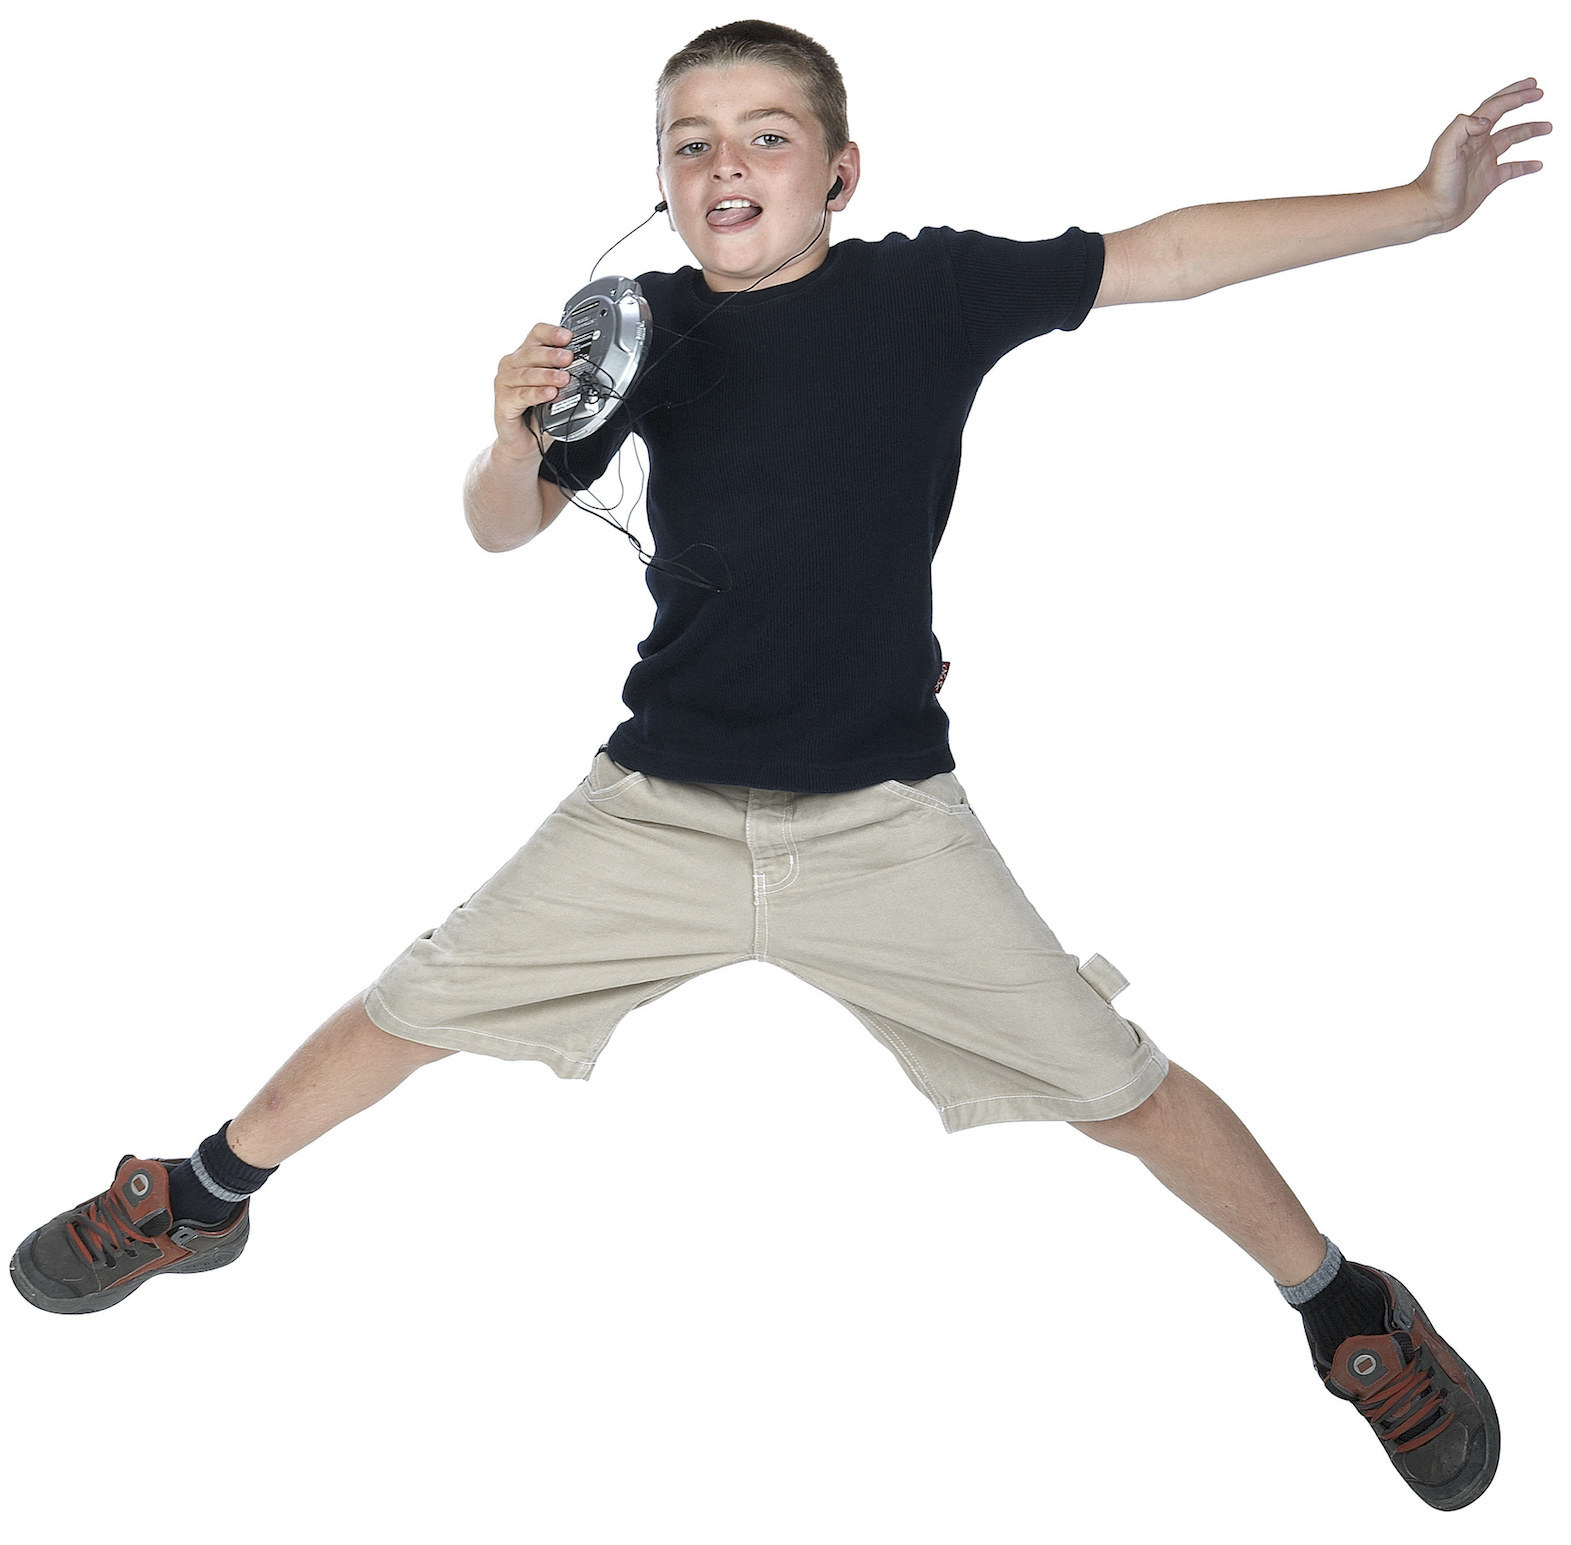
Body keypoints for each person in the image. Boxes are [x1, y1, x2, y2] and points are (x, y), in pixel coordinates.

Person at [9, 18, 1548, 1514]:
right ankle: (199, 1198)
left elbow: (1166, 252)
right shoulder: (644, 331)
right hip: (657, 809)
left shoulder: (934, 289)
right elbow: (502, 526)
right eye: (690, 143)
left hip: (888, 825)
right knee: (415, 1001)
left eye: (765, 135)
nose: (723, 163)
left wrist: (1417, 209)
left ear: (840, 171)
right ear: (661, 179)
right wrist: (504, 436)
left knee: (1114, 1082)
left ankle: (1345, 1305)